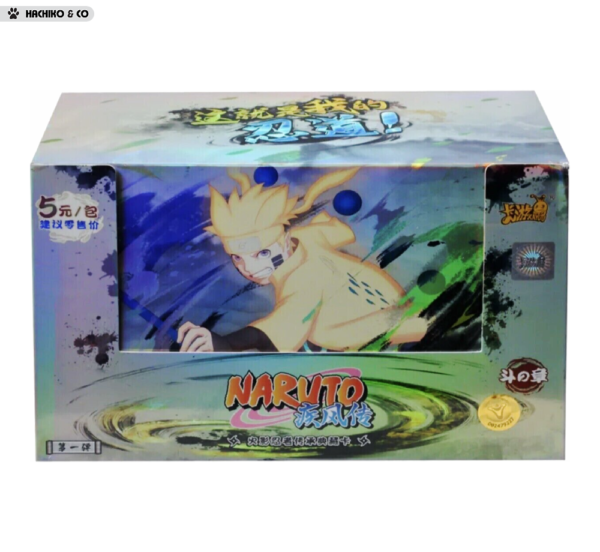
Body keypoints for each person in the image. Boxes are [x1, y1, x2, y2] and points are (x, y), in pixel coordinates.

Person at [177, 167, 427, 352]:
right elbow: (340, 232)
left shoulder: (301, 278)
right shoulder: (302, 238)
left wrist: (226, 343)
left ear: (284, 242)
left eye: (262, 253)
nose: (250, 268)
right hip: (393, 315)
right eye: (237, 258)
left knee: (320, 334)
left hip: (402, 327)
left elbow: (270, 333)